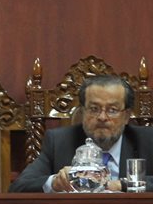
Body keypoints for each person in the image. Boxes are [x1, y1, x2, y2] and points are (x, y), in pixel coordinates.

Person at [10, 74, 153, 193]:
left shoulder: (147, 140)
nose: (102, 117)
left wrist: (122, 184)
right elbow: (18, 187)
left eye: (112, 110)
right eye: (94, 109)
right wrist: (54, 182)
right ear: (83, 112)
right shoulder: (59, 142)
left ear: (126, 116)